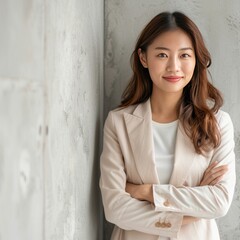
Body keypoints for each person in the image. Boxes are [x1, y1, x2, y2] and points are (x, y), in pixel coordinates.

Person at [99, 11, 236, 240]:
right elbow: (115, 208)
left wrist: (147, 192)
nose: (174, 67)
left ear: (195, 60)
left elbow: (219, 202)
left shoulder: (218, 124)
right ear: (143, 58)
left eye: (184, 55)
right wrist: (192, 203)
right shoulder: (119, 122)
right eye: (162, 55)